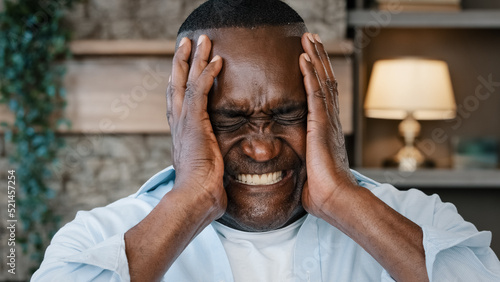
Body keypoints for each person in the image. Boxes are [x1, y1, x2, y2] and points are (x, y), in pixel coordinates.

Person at [33, 1, 500, 281]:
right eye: (231, 119)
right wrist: (190, 199)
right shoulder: (96, 241)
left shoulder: (420, 222)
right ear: (183, 116)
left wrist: (341, 197)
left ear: (325, 110)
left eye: (288, 114)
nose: (262, 148)